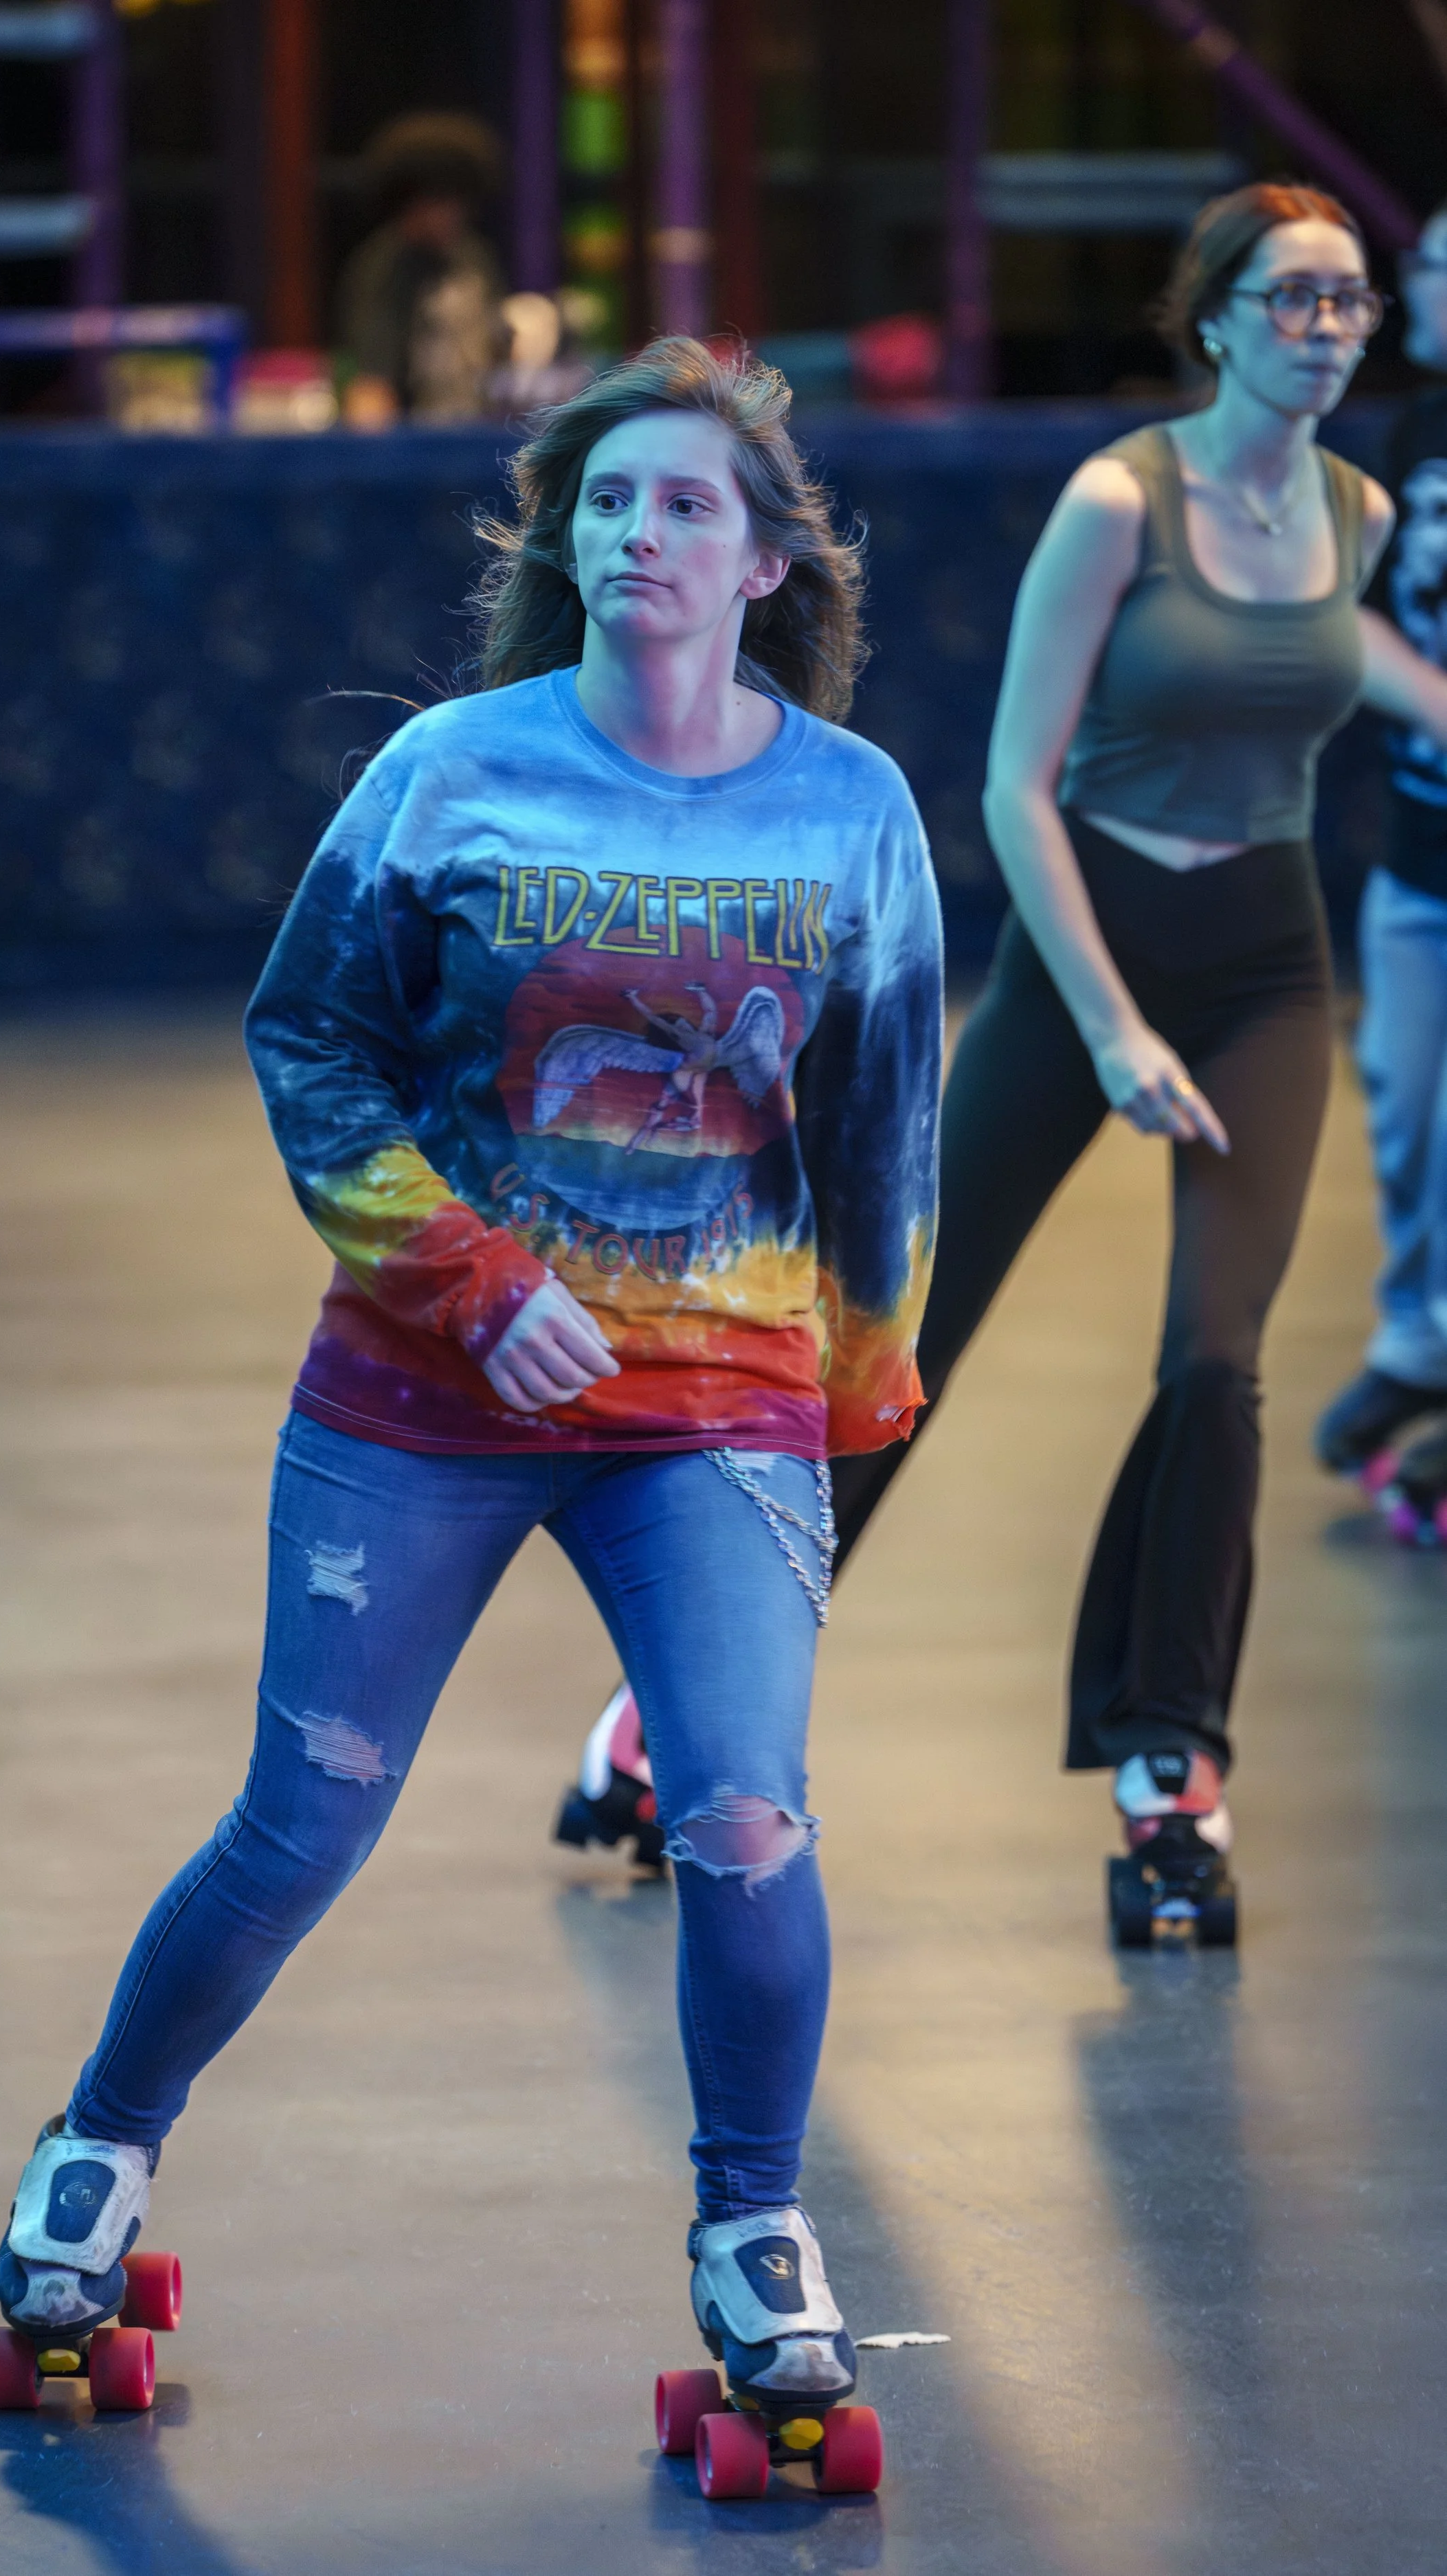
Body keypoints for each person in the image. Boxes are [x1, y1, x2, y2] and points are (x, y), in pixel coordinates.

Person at [0, 339, 943, 2444]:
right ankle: (101, 2139)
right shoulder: (447, 768)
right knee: (302, 1812)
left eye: (682, 504)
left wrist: (858, 1387)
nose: (633, 535)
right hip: (421, 1389)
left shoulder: (845, 808)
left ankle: (750, 2225)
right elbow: (304, 1041)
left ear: (766, 560)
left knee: (746, 1818)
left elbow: (878, 1122)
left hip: (711, 1401)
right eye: (603, 502)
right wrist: (463, 1273)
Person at [563, 184, 1447, 1937]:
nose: (1327, 329)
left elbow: (1355, 662)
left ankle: (1166, 1770)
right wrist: (1111, 1021)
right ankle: (676, 1716)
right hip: (1078, 949)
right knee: (901, 1339)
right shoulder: (1122, 500)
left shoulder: (1350, 512)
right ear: (1213, 320)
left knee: (1218, 1366)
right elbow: (1013, 786)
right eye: (1292, 301)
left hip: (1267, 958)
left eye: (1351, 303)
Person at [1314, 195, 1447, 1537]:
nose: (1428, 292)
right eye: (1427, 270)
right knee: (1405, 1110)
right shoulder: (1411, 438)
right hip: (1418, 857)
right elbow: (1343, 621)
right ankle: (1417, 1340)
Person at [337, 113, 506, 427]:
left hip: (476, 435)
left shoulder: (475, 257)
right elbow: (372, 384)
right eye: (439, 201)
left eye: (459, 200)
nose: (452, 213)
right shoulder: (385, 267)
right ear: (409, 201)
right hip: (414, 447)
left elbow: (499, 350)